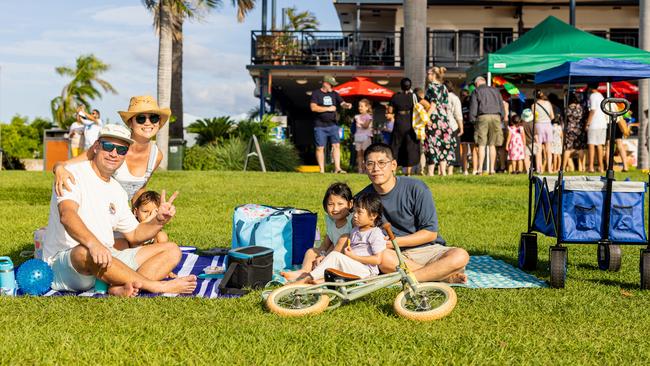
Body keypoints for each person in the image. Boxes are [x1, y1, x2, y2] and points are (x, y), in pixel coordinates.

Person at [43, 124, 197, 297]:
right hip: (69, 263)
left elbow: (135, 234)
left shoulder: (117, 190)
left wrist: (158, 220)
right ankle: (156, 286)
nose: (114, 154)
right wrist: (94, 244)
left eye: (122, 150)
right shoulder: (72, 174)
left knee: (171, 250)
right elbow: (67, 215)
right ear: (96, 146)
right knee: (84, 251)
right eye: (108, 146)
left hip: (107, 259)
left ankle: (116, 287)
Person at [360, 143, 469, 283]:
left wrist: (394, 242)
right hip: (392, 255)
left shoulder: (416, 188)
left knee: (460, 255)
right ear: (365, 166)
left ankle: (413, 278)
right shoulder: (362, 199)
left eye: (382, 163)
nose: (376, 169)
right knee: (382, 258)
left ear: (393, 165)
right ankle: (442, 275)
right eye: (370, 164)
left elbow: (430, 233)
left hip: (425, 250)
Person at [54, 96, 170, 204]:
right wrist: (59, 168)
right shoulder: (110, 145)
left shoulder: (156, 155)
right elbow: (64, 164)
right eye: (141, 118)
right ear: (130, 122)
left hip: (119, 214)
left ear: (159, 123)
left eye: (154, 118)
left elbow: (139, 190)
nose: (148, 123)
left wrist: (145, 215)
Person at [292, 191, 386, 284]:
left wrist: (354, 257)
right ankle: (319, 280)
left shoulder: (375, 233)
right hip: (353, 267)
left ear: (373, 215)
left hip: (367, 272)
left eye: (359, 212)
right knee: (334, 258)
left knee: (335, 256)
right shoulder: (355, 230)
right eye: (355, 212)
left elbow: (377, 260)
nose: (355, 215)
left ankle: (307, 278)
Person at [280, 182, 353, 281]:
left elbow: (343, 245)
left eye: (340, 204)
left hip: (346, 257)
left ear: (350, 204)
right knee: (311, 251)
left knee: (344, 238)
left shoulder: (352, 220)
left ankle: (314, 275)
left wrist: (325, 257)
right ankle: (304, 271)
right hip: (332, 254)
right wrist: (321, 254)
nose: (335, 208)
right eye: (331, 204)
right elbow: (327, 242)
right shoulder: (331, 221)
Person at [309, 75, 352, 174]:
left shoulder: (334, 94)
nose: (332, 87)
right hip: (320, 126)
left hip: (333, 125)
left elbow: (342, 103)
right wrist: (328, 109)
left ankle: (337, 168)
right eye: (331, 85)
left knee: (336, 145)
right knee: (320, 148)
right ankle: (322, 170)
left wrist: (347, 105)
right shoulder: (316, 94)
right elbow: (313, 107)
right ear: (325, 83)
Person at [469, 76, 505, 175]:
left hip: (482, 117)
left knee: (481, 144)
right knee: (492, 144)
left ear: (477, 83)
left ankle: (480, 169)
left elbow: (473, 107)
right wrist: (501, 117)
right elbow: (501, 105)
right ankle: (492, 169)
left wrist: (472, 120)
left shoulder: (476, 91)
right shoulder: (496, 90)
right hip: (496, 116)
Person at [424, 67, 456, 176]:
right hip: (444, 118)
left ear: (433, 75)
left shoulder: (431, 87)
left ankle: (431, 172)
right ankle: (443, 172)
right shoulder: (444, 88)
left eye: (428, 73)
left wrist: (426, 117)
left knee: (432, 144)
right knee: (443, 145)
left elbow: (433, 104)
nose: (427, 75)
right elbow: (445, 105)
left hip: (433, 118)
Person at [389, 78, 420, 175]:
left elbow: (390, 111)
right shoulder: (414, 96)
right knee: (410, 146)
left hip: (399, 123)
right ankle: (409, 172)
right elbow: (426, 105)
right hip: (410, 124)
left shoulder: (395, 96)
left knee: (396, 146)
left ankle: (393, 170)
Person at [585, 84, 607, 173]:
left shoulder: (593, 96)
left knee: (591, 145)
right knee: (600, 145)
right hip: (602, 124)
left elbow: (592, 110)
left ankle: (591, 167)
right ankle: (601, 167)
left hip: (594, 123)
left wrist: (588, 123)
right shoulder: (601, 96)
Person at [533, 90, 555, 173]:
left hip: (538, 125)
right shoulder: (548, 104)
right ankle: (549, 169)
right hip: (548, 125)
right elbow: (552, 116)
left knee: (538, 148)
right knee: (548, 148)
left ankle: (539, 169)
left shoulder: (533, 105)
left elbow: (533, 118)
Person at [563, 93, 586, 172]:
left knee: (568, 149)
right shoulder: (581, 108)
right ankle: (582, 167)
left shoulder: (567, 109)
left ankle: (563, 167)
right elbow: (584, 117)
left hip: (569, 129)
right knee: (580, 149)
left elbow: (565, 119)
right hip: (579, 129)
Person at [444, 80, 463, 176]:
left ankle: (441, 170)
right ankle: (450, 171)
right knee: (452, 148)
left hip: (441, 126)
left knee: (442, 148)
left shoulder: (439, 97)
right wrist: (461, 127)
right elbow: (458, 114)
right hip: (452, 126)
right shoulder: (454, 98)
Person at [354, 99, 374, 173]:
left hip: (366, 137)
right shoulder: (357, 116)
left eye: (362, 106)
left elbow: (366, 126)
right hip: (358, 137)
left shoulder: (369, 117)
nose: (360, 108)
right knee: (359, 154)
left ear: (367, 107)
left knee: (366, 153)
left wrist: (360, 122)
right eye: (359, 106)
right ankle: (360, 169)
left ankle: (366, 169)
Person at [459, 88, 476, 175]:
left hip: (464, 128)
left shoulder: (461, 106)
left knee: (465, 151)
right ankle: (474, 170)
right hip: (472, 128)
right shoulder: (472, 106)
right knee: (473, 150)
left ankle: (465, 170)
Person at [520, 108, 539, 172]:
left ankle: (528, 170)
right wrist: (538, 142)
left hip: (525, 143)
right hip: (533, 142)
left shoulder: (522, 124)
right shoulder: (532, 124)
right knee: (537, 155)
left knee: (527, 157)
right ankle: (538, 169)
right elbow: (535, 135)